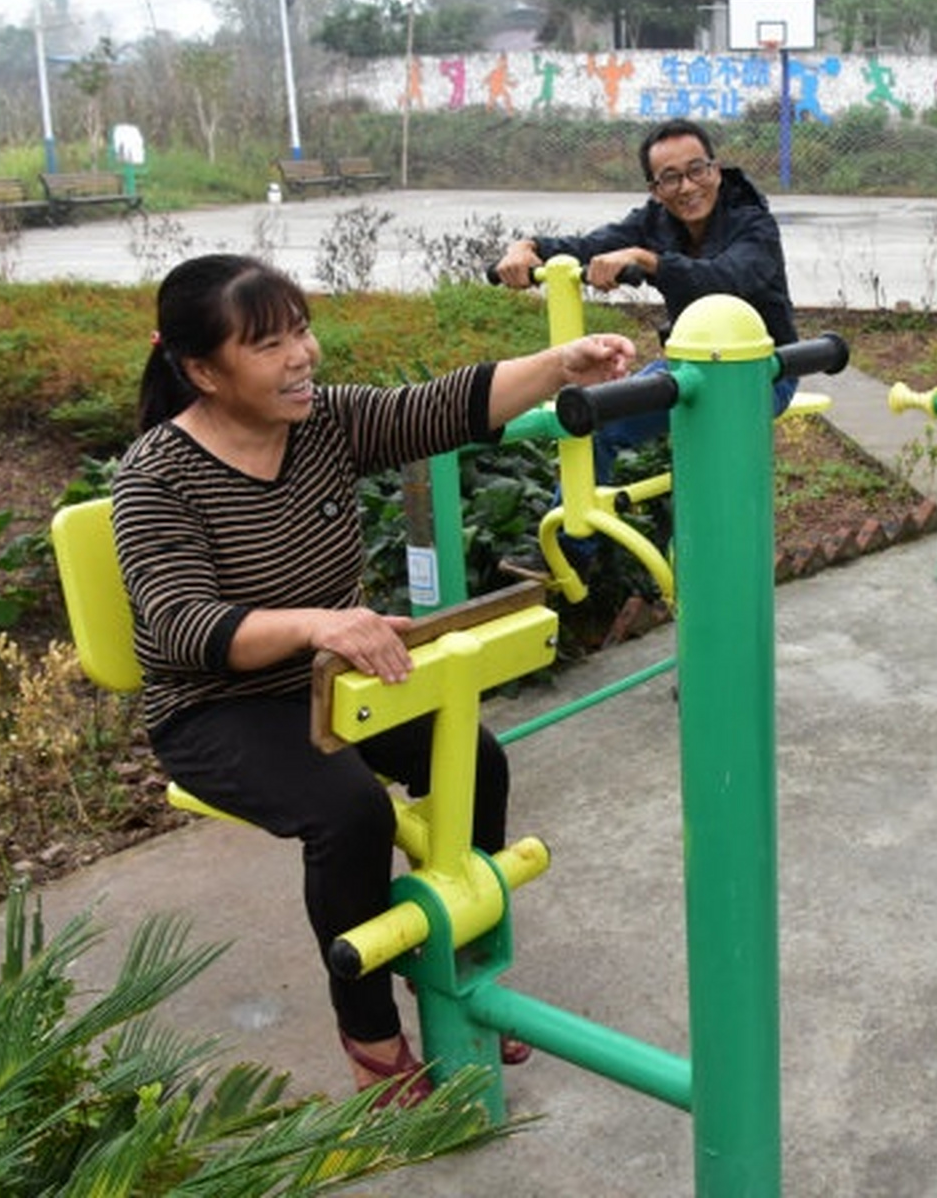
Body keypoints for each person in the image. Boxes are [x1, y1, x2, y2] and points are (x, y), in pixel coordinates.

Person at [112, 254, 633, 1105]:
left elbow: (439, 407)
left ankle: (464, 976)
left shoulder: (322, 422)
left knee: (476, 760)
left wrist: (557, 365)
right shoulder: (154, 478)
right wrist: (320, 623)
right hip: (216, 707)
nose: (301, 357)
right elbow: (183, 627)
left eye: (302, 332)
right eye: (269, 344)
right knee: (350, 812)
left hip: (333, 680)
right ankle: (369, 1028)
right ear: (202, 370)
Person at [493, 117, 798, 480]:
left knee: (709, 448)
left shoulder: (754, 224)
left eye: (696, 170)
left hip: (766, 370)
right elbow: (586, 247)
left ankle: (703, 524)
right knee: (595, 422)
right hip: (692, 364)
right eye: (670, 178)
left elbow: (723, 280)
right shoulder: (654, 221)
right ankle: (577, 537)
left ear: (715, 171)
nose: (687, 187)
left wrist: (647, 260)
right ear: (655, 189)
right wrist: (527, 248)